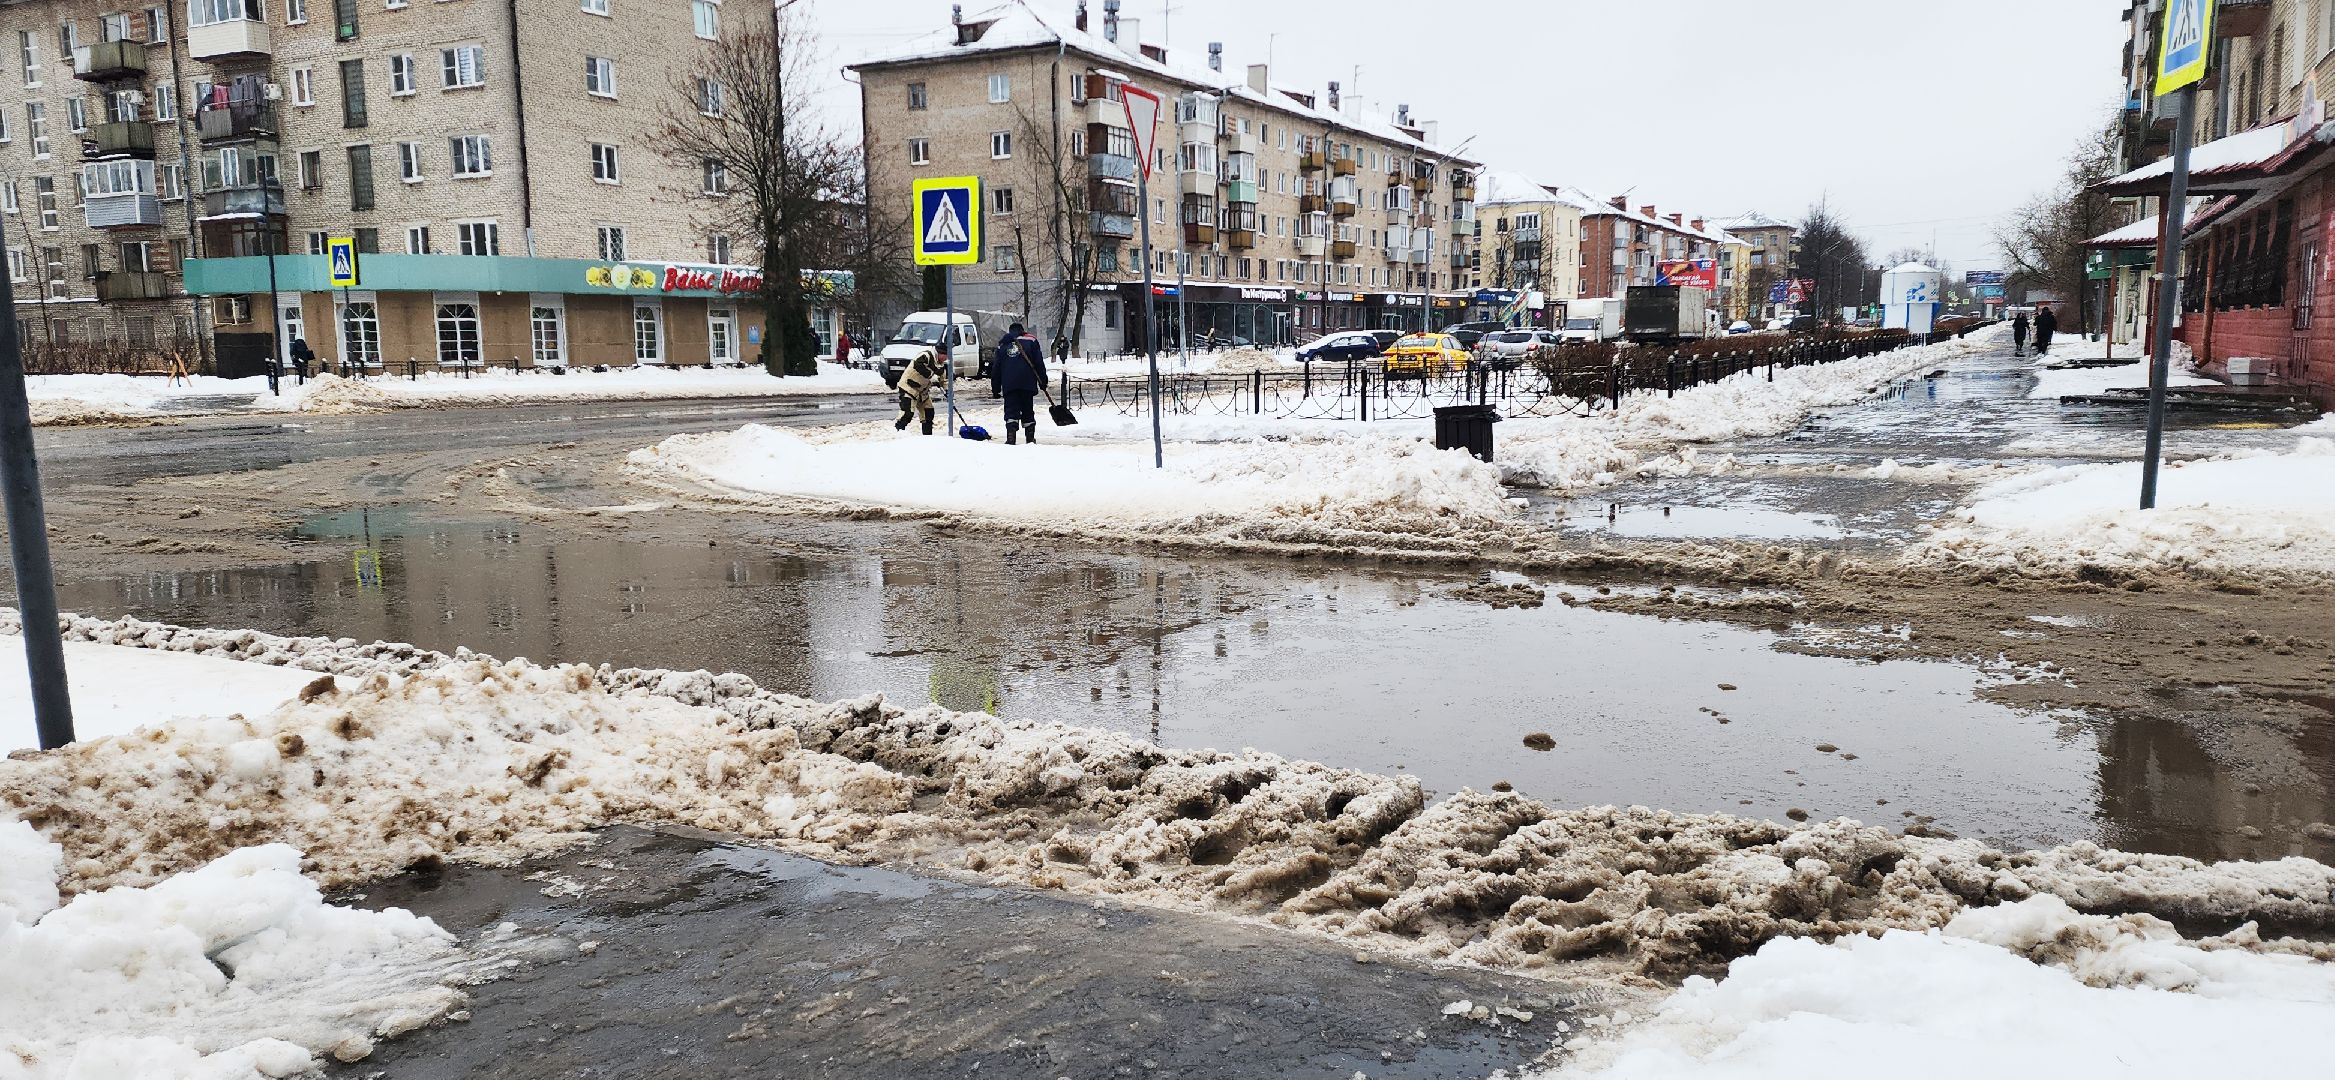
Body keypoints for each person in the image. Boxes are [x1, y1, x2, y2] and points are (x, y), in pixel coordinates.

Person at [996, 322, 1048, 445]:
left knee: (1011, 411)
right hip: (1027, 383)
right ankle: (1030, 439)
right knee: (1027, 409)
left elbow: (996, 368)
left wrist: (996, 388)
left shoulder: (1003, 344)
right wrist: (1043, 381)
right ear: (1022, 330)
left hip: (1009, 384)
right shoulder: (1031, 341)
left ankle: (1011, 438)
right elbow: (1039, 362)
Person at [894, 353, 939, 435]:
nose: (945, 358)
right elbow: (917, 365)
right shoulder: (926, 356)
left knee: (928, 412)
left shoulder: (941, 364)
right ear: (938, 353)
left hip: (922, 391)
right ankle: (897, 434)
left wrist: (946, 389)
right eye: (944, 355)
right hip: (909, 387)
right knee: (907, 413)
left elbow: (944, 378)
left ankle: (927, 437)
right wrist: (931, 375)